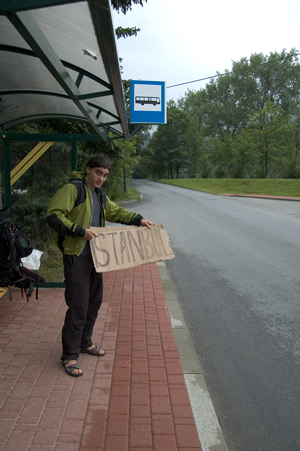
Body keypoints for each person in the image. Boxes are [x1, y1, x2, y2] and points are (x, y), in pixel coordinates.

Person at [47, 154, 152, 377]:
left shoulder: (100, 194)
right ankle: (69, 356)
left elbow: (116, 211)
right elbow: (54, 216)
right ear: (88, 170)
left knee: (94, 302)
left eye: (104, 175)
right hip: (77, 254)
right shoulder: (73, 190)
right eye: (97, 173)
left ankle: (85, 342)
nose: (100, 178)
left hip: (96, 256)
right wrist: (79, 231)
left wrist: (138, 219)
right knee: (78, 305)